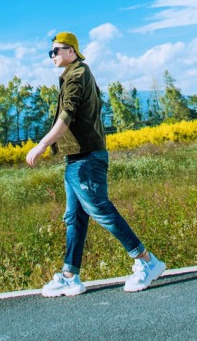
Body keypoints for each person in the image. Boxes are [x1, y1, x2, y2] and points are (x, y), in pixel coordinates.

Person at [26, 31, 166, 297]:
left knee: (100, 209)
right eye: (50, 52)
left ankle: (147, 262)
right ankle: (70, 276)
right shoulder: (73, 74)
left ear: (71, 51)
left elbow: (67, 115)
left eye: (56, 50)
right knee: (75, 218)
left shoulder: (77, 75)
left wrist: (42, 145)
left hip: (87, 159)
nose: (52, 55)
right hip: (77, 159)